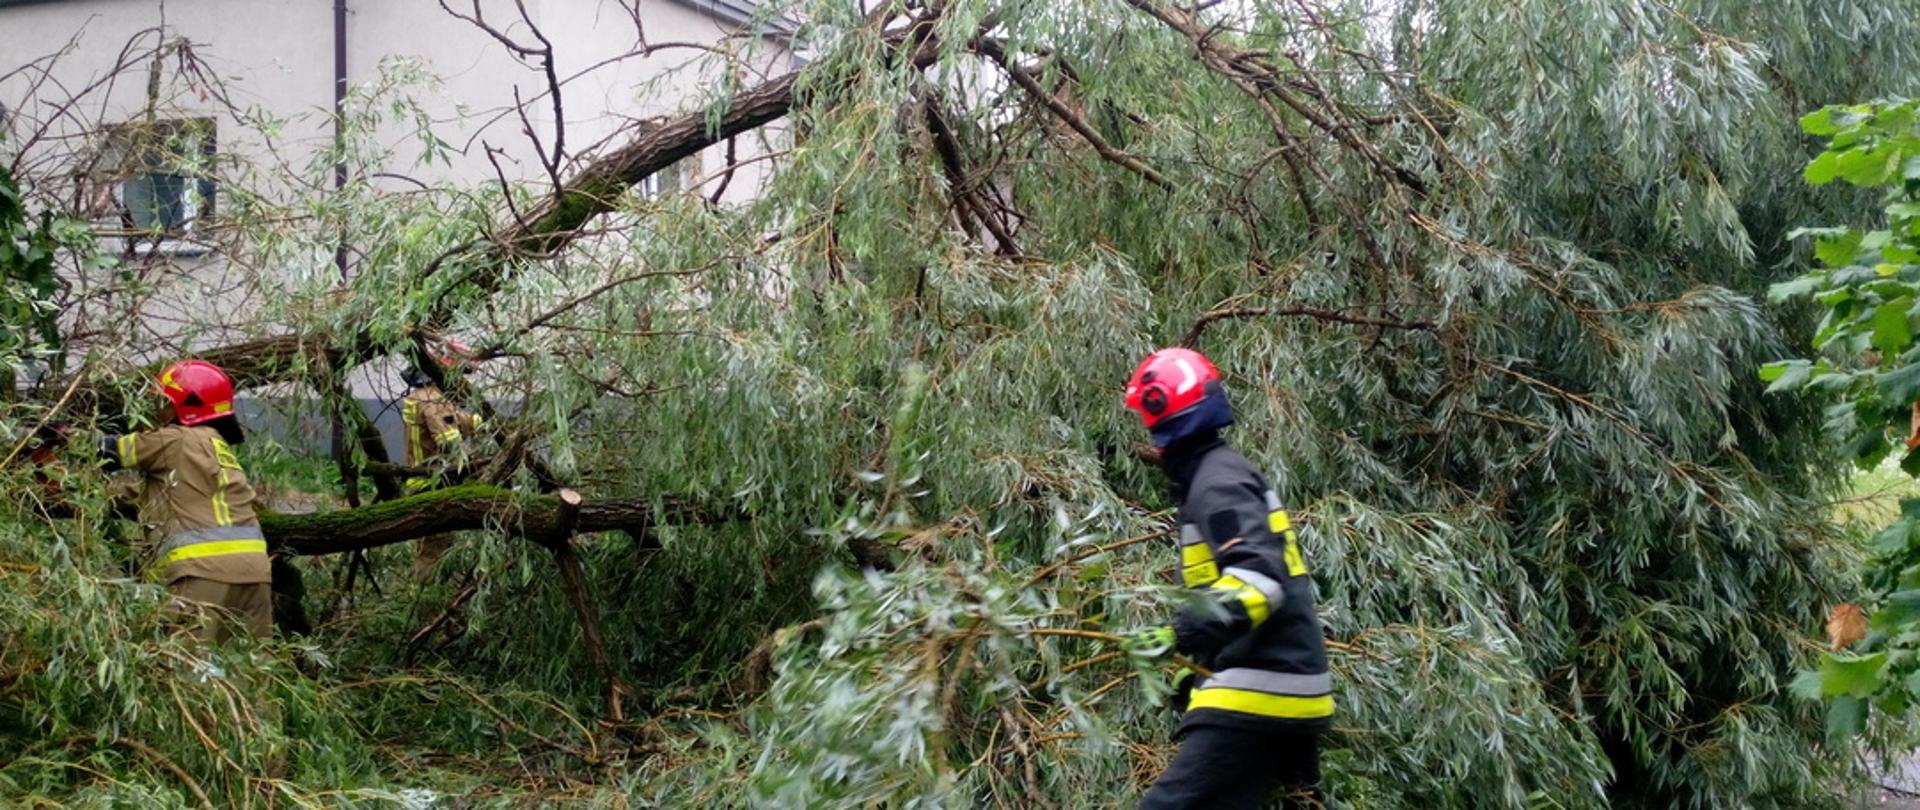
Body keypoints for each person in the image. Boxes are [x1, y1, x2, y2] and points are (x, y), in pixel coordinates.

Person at [1120, 347, 1332, 809]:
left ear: (1162, 410)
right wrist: (1197, 667)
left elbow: (1259, 582)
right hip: (1285, 680)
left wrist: (1178, 634)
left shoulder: (1216, 483)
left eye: (1148, 411)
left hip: (1263, 688)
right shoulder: (1215, 475)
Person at [100, 359, 271, 643]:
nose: (159, 411)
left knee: (187, 674)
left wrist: (55, 436)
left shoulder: (175, 440)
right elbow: (160, 496)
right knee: (245, 676)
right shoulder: (216, 447)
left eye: (165, 402)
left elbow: (105, 450)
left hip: (202, 573)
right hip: (256, 575)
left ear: (186, 405)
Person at [399, 341, 483, 576]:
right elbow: (449, 441)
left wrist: (490, 424)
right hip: (431, 487)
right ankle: (430, 603)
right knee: (433, 555)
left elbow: (459, 420)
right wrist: (475, 465)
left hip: (427, 484)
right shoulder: (432, 400)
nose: (462, 383)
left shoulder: (426, 396)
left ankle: (437, 599)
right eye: (460, 375)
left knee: (439, 550)